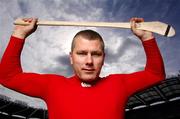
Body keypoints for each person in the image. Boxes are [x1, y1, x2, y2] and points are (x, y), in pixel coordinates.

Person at [0, 17, 165, 119]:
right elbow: (7, 77)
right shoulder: (53, 85)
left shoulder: (118, 83)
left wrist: (147, 38)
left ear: (103, 57)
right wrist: (19, 35)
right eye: (81, 53)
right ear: (71, 57)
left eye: (96, 54)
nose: (89, 61)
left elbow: (155, 74)